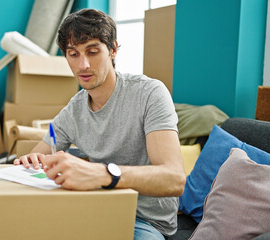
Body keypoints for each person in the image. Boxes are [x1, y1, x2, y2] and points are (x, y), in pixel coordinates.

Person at [13, 8, 186, 240]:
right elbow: (38, 158)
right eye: (73, 54)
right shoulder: (73, 110)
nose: (83, 65)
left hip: (143, 221)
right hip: (95, 206)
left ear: (113, 50)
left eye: (92, 52)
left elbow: (174, 179)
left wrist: (102, 174)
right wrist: (31, 162)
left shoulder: (150, 94)